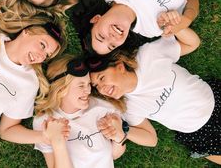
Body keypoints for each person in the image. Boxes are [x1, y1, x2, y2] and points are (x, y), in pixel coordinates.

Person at [89, 23, 221, 164]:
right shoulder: (127, 106)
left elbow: (191, 44)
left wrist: (175, 24)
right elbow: (151, 139)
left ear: (120, 66)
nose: (101, 88)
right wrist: (124, 129)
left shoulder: (148, 55)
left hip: (215, 99)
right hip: (199, 133)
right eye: (96, 86)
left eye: (101, 78)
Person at [33, 55, 157, 168]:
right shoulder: (45, 121)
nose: (88, 90)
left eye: (89, 85)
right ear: (60, 89)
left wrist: (119, 137)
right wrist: (57, 140)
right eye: (81, 86)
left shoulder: (103, 108)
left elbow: (113, 155)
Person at [0, 12, 64, 145]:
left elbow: (7, 130)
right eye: (42, 45)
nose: (41, 56)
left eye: (47, 55)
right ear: (27, 31)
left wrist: (45, 137)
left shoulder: (29, 84)